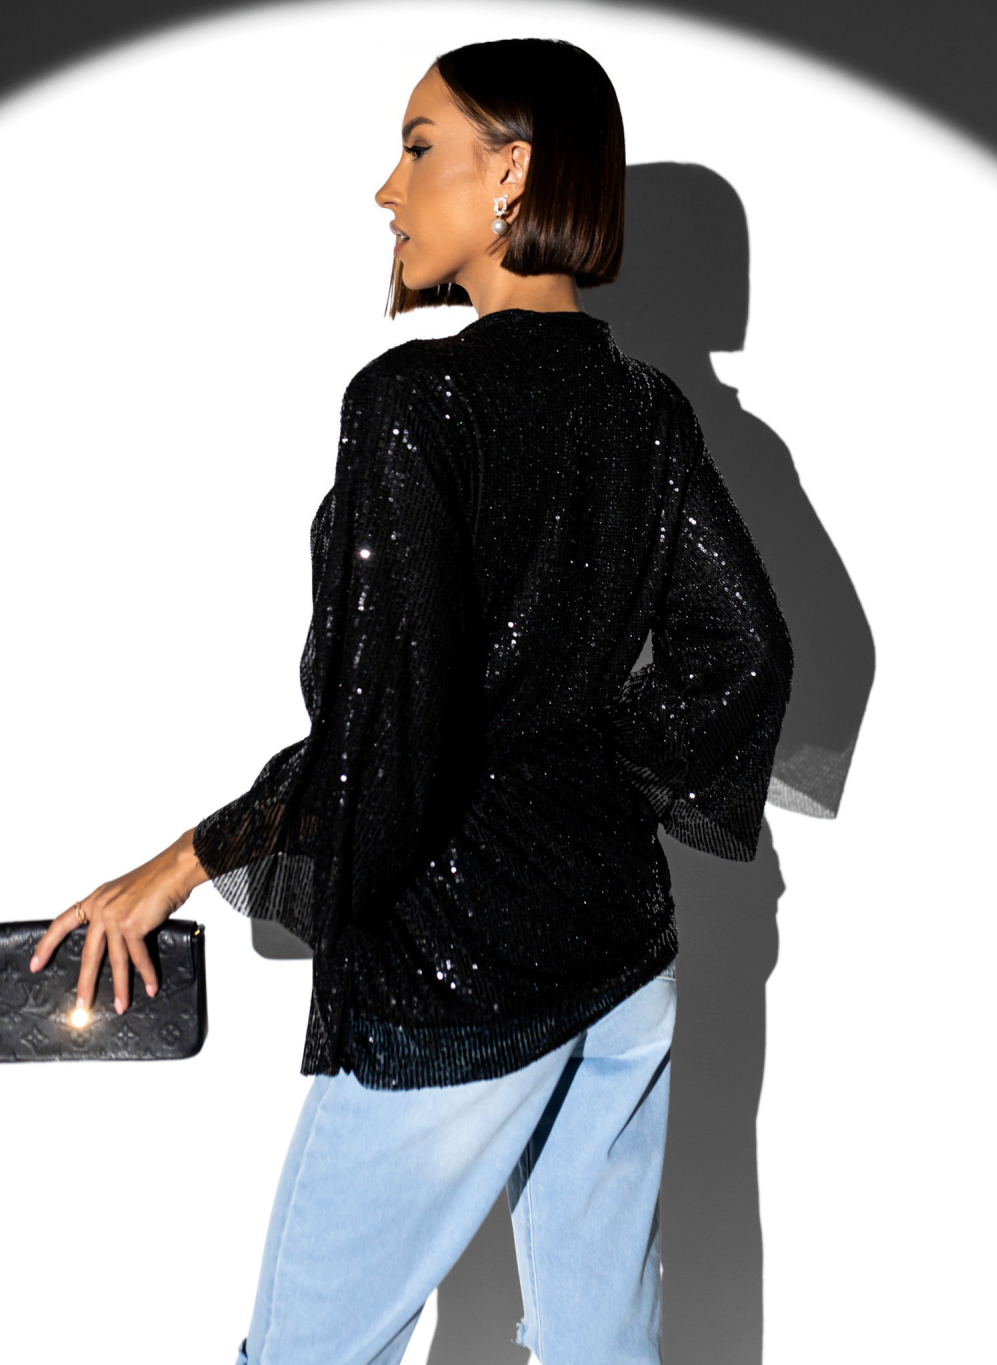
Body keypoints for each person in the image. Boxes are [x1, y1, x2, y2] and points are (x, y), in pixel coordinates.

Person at [30, 37, 794, 1365]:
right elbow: (748, 653)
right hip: (623, 953)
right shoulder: (647, 410)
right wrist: (591, 754)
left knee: (308, 1351)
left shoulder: (415, 401)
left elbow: (379, 736)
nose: (388, 189)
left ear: (514, 174)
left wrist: (186, 860)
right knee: (605, 1343)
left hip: (459, 964)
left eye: (418, 146)